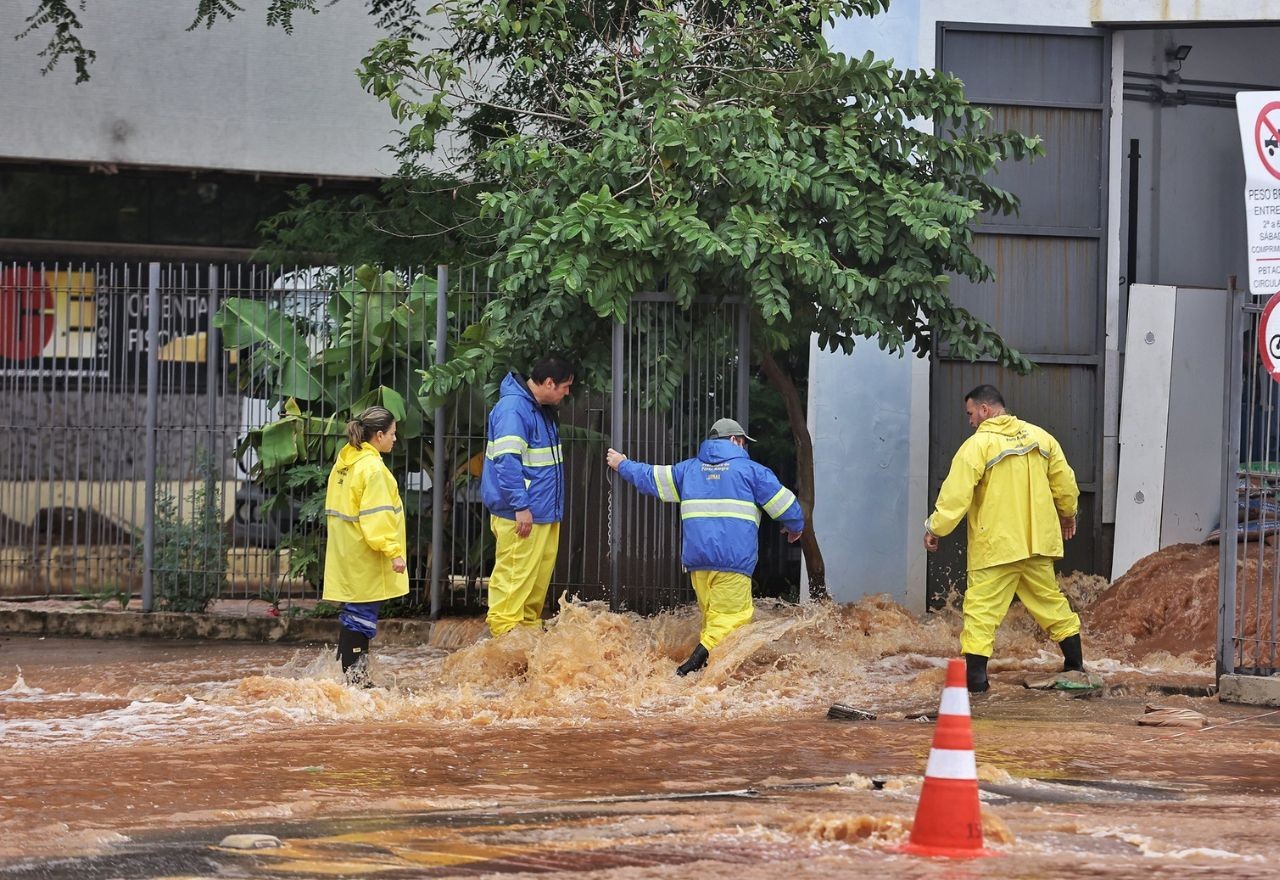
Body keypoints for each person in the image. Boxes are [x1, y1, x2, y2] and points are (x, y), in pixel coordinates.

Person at [606, 418, 805, 676]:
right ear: (734, 441)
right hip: (733, 563)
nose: (745, 448)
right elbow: (787, 506)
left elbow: (650, 478)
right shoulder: (753, 472)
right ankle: (690, 667)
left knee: (713, 618)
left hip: (698, 564)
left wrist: (623, 464)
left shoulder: (687, 471)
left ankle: (708, 678)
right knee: (734, 619)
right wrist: (795, 527)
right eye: (743, 442)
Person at [923, 384, 1084, 693]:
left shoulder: (977, 446)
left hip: (996, 546)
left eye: (971, 413)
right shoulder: (1042, 438)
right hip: (1036, 544)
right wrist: (1068, 513)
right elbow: (1065, 482)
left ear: (985, 410)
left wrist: (935, 527)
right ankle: (1076, 668)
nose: (970, 421)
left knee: (981, 612)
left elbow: (956, 495)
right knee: (1051, 604)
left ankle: (977, 685)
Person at [481, 354, 576, 636]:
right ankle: (503, 656)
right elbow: (507, 461)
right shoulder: (514, 409)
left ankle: (524, 657)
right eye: (565, 386)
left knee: (531, 594)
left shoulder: (537, 408)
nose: (567, 392)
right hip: (522, 516)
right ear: (548, 383)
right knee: (511, 592)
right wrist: (520, 506)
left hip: (541, 515)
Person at [323, 405, 408, 687]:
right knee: (361, 618)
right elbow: (377, 518)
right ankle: (357, 684)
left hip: (346, 551)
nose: (395, 439)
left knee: (353, 615)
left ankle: (350, 681)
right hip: (365, 554)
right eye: (393, 434)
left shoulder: (346, 461)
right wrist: (394, 553)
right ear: (379, 435)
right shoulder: (373, 470)